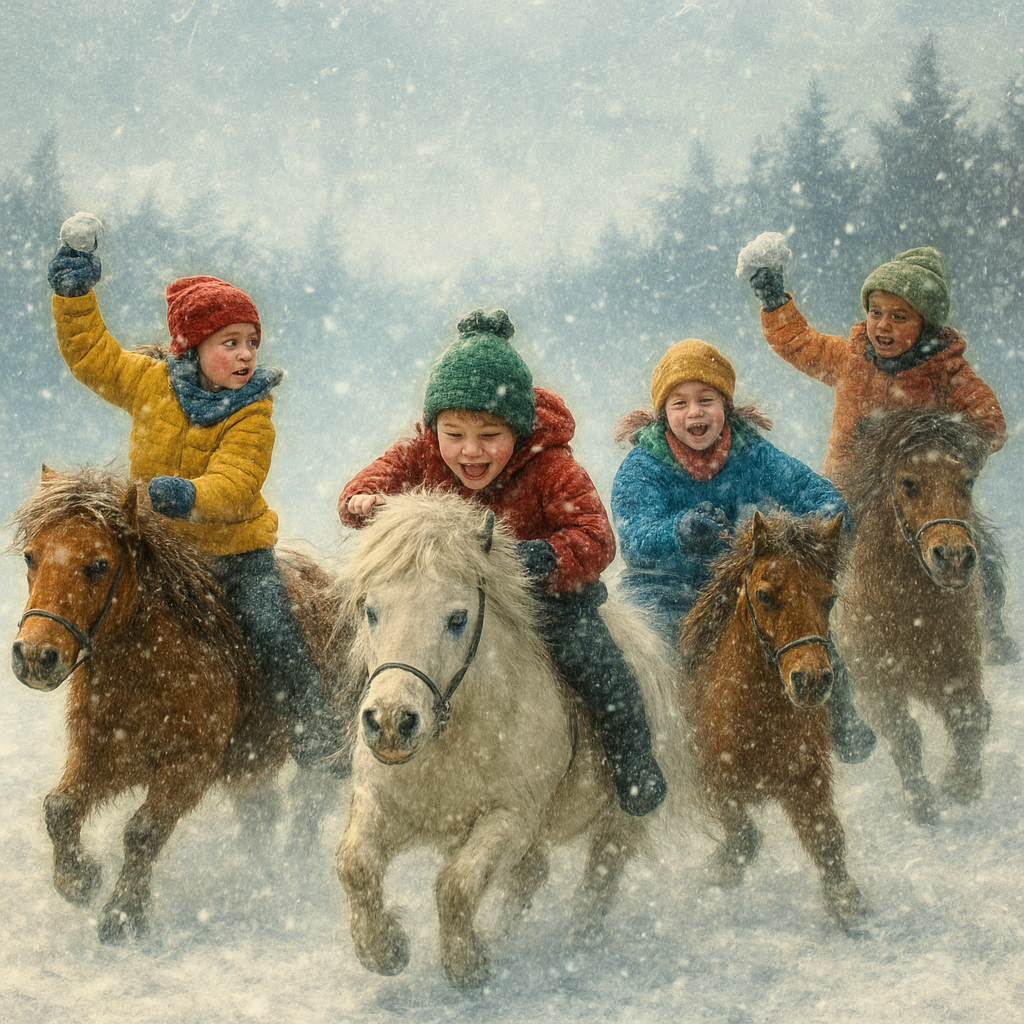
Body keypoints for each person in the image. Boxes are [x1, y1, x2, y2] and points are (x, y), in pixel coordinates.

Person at [339, 308, 666, 816]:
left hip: (546, 600)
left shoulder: (551, 465)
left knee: (599, 665)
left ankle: (633, 762)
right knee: (376, 644)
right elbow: (366, 483)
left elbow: (596, 538)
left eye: (490, 434)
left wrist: (546, 557)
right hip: (446, 598)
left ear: (517, 428)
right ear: (434, 427)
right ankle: (349, 747)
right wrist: (361, 500)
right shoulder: (421, 452)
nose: (470, 452)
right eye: (454, 434)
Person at [46, 233, 344, 773]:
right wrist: (74, 295)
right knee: (101, 604)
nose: (246, 354)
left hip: (235, 557)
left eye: (252, 342)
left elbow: (237, 482)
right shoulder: (149, 382)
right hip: (158, 551)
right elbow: (93, 356)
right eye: (231, 341)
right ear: (192, 347)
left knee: (276, 633)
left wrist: (191, 496)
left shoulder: (252, 413)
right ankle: (81, 701)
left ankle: (317, 737)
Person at [745, 244, 1016, 663]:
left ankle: (989, 622)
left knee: (983, 554)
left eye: (899, 316)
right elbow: (799, 343)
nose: (882, 326)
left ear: (925, 324)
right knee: (816, 558)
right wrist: (774, 300)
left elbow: (989, 425)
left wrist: (931, 441)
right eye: (875, 312)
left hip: (926, 495)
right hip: (848, 487)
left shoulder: (947, 370)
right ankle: (813, 639)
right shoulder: (852, 359)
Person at [611, 338, 876, 764]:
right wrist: (681, 533)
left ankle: (840, 714)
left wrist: (827, 519)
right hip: (665, 589)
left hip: (741, 585)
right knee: (652, 659)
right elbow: (634, 538)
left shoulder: (753, 454)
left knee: (804, 629)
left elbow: (811, 490)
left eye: (706, 400)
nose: (694, 413)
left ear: (726, 407)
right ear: (663, 414)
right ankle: (656, 749)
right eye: (680, 403)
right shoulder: (642, 467)